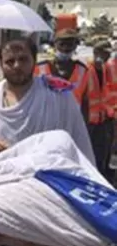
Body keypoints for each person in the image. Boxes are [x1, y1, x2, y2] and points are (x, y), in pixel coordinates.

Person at [0, 37, 93, 160]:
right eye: (10, 61)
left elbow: (80, 141)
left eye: (23, 59)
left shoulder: (58, 96)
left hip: (46, 177)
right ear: (1, 64)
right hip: (0, 177)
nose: (17, 66)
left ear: (34, 60)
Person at [36, 28, 107, 164]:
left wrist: (86, 129)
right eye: (62, 44)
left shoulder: (84, 71)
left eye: (70, 44)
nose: (65, 48)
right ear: (54, 45)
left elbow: (90, 102)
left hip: (72, 125)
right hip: (44, 124)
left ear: (75, 46)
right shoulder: (40, 68)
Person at [93, 40, 115, 177]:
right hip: (98, 118)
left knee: (109, 151)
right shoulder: (93, 68)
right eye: (103, 53)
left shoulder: (109, 67)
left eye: (108, 53)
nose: (106, 56)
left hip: (109, 116)